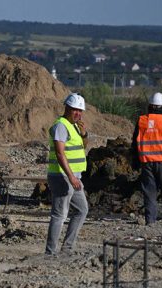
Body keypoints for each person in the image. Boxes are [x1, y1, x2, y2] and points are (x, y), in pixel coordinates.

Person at [45, 93, 90, 256]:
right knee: (59, 214)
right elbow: (59, 153)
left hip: (74, 177)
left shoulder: (75, 126)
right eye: (75, 110)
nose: (78, 113)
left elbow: (83, 146)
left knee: (82, 210)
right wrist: (70, 176)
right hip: (62, 176)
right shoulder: (61, 126)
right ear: (67, 108)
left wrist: (84, 134)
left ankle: (67, 248)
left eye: (80, 111)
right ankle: (50, 253)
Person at [131, 92, 162, 226]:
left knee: (149, 191)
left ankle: (150, 220)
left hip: (146, 162)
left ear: (150, 106)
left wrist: (135, 159)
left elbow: (134, 142)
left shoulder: (141, 121)